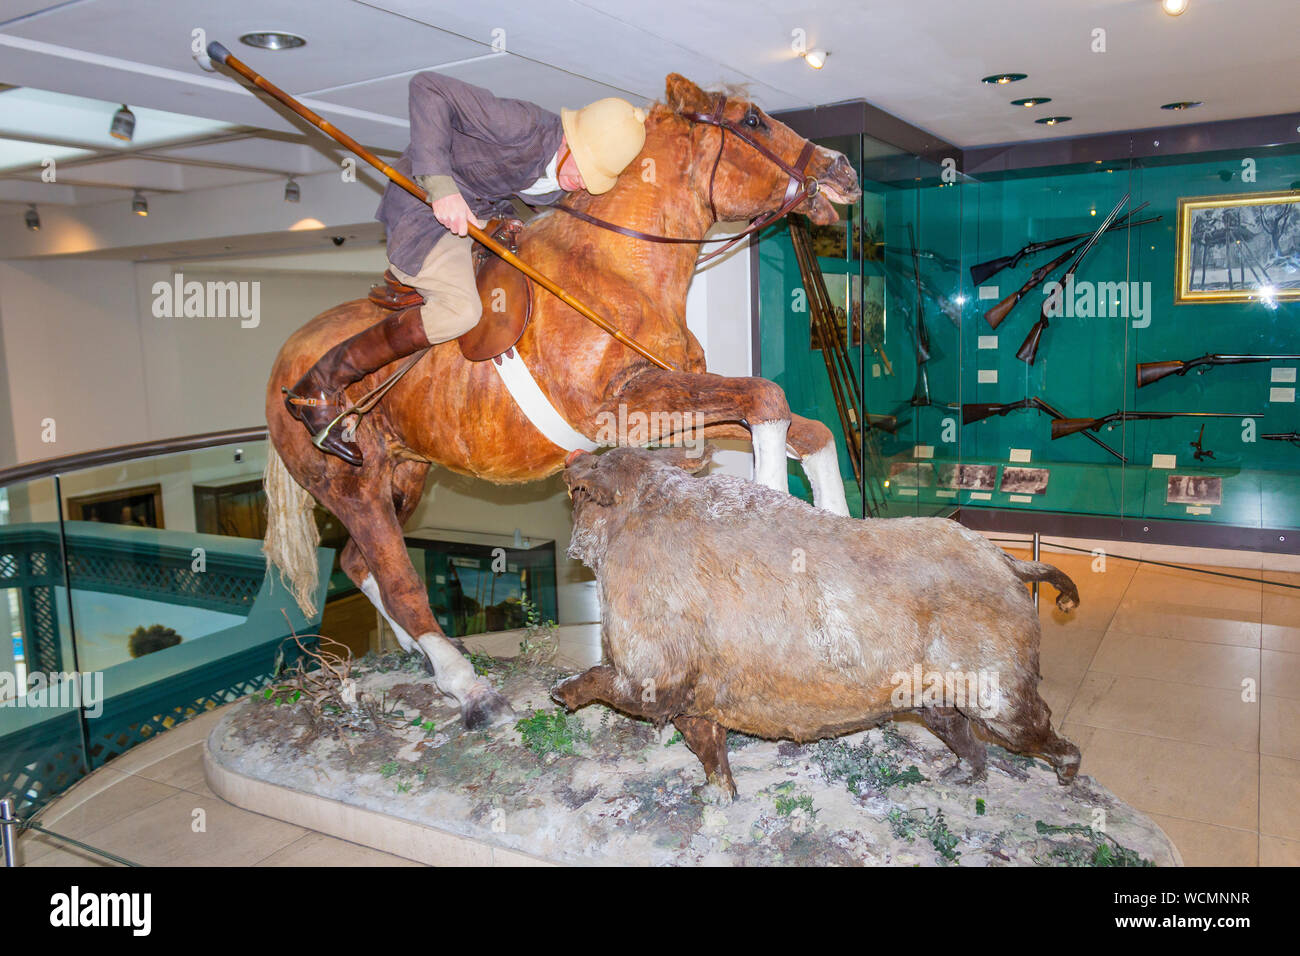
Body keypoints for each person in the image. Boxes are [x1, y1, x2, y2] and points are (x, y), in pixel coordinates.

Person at [284, 72, 648, 466]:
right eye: (585, 168)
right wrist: (442, 189)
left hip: (481, 220)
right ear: (568, 140)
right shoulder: (521, 124)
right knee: (461, 310)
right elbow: (428, 87)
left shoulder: (569, 180)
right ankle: (320, 383)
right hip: (422, 207)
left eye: (597, 178)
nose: (583, 183)